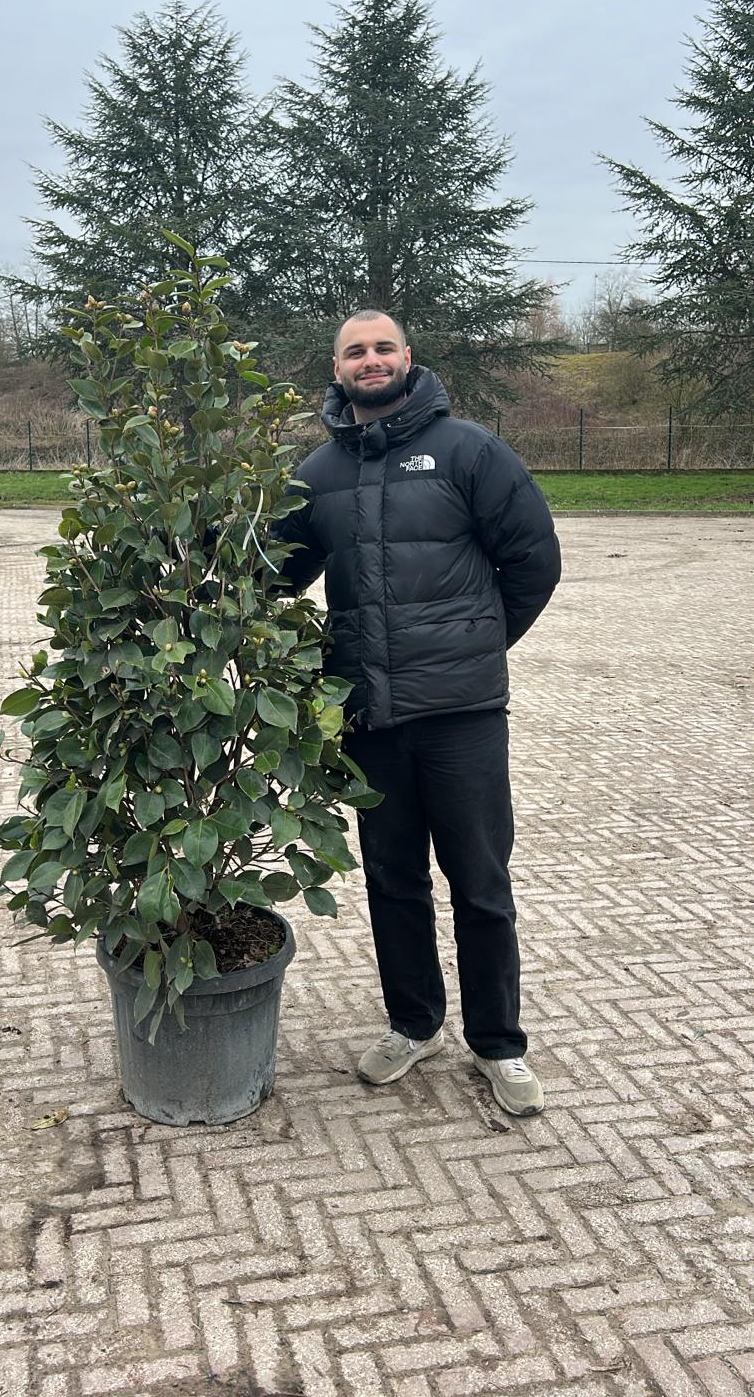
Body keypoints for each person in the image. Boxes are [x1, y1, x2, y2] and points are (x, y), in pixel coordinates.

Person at [272, 310, 561, 1116]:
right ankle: (413, 1023)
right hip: (369, 717)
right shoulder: (318, 473)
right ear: (337, 369)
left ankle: (499, 1044)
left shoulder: (471, 450)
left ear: (407, 359)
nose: (371, 360)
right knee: (393, 879)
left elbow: (533, 560)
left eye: (383, 347)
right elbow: (275, 574)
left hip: (462, 715)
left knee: (480, 881)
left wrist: (476, 645)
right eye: (355, 351)